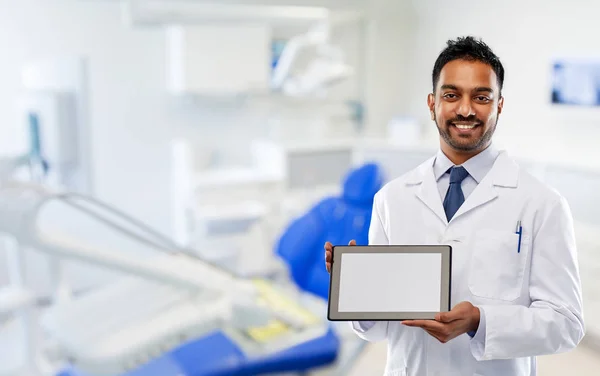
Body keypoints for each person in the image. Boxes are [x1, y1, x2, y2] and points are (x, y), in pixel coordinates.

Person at [324, 36, 585, 376]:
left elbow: (566, 324)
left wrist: (481, 321)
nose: (465, 109)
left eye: (481, 97)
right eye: (451, 95)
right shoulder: (393, 197)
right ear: (432, 103)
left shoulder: (541, 203)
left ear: (499, 105)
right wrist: (355, 289)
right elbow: (377, 328)